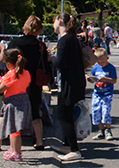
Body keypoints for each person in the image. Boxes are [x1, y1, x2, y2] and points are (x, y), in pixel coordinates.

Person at [0, 16, 50, 151]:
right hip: (34, 81)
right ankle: (39, 141)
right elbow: (45, 64)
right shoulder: (40, 45)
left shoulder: (15, 43)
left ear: (25, 26)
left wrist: (1, 49)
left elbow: (3, 59)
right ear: (39, 29)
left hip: (15, 81)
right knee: (35, 110)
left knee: (6, 111)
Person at [0, 48, 32, 162]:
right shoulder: (26, 73)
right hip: (23, 101)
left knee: (14, 130)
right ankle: (13, 150)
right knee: (14, 129)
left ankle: (17, 153)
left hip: (12, 103)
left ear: (8, 63)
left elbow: (0, 89)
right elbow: (27, 84)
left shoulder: (10, 74)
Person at [51, 13, 86, 161]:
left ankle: (74, 150)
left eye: (54, 22)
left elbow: (59, 62)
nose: (53, 25)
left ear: (59, 21)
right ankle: (68, 145)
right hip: (75, 82)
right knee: (68, 115)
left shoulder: (65, 40)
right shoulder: (73, 39)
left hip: (68, 85)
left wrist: (50, 57)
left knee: (63, 117)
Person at [87, 48, 117, 141]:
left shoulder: (111, 68)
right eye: (99, 62)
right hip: (97, 93)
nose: (101, 64)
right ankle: (100, 131)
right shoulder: (96, 67)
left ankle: (108, 130)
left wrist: (105, 79)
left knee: (105, 111)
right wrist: (91, 79)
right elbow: (92, 78)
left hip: (107, 93)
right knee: (96, 111)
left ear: (107, 58)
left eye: (102, 62)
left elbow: (114, 80)